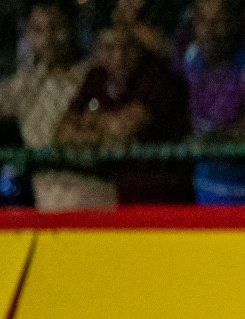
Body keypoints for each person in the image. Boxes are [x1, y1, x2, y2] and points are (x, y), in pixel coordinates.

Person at [0, 0, 97, 212]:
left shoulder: (94, 75)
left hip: (97, 205)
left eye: (57, 28)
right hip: (49, 211)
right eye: (38, 31)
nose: (47, 39)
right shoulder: (27, 85)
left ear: (72, 26)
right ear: (28, 34)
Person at [57, 25, 191, 207]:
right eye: (109, 48)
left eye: (127, 47)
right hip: (123, 194)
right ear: (97, 51)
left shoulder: (153, 75)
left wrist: (90, 123)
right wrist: (104, 133)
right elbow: (62, 132)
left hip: (164, 193)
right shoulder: (97, 77)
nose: (119, 57)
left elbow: (124, 128)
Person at [183, 0, 245, 205]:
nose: (209, 31)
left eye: (219, 21)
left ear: (235, 23)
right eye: (203, 21)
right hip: (205, 187)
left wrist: (212, 140)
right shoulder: (192, 58)